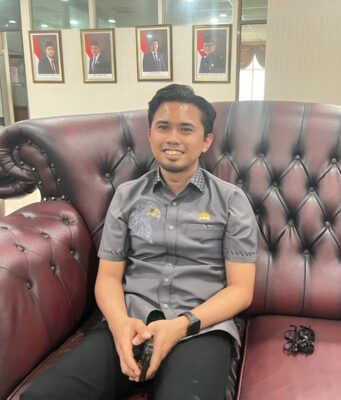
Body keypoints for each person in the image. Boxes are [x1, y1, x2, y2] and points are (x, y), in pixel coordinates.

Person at [21, 84, 258, 400]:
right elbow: (109, 276)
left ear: (206, 141)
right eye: (163, 127)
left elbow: (241, 290)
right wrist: (119, 324)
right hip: (132, 321)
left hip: (200, 328)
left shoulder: (231, 201)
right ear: (150, 135)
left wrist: (180, 325)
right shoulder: (127, 196)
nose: (173, 138)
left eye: (186, 129)